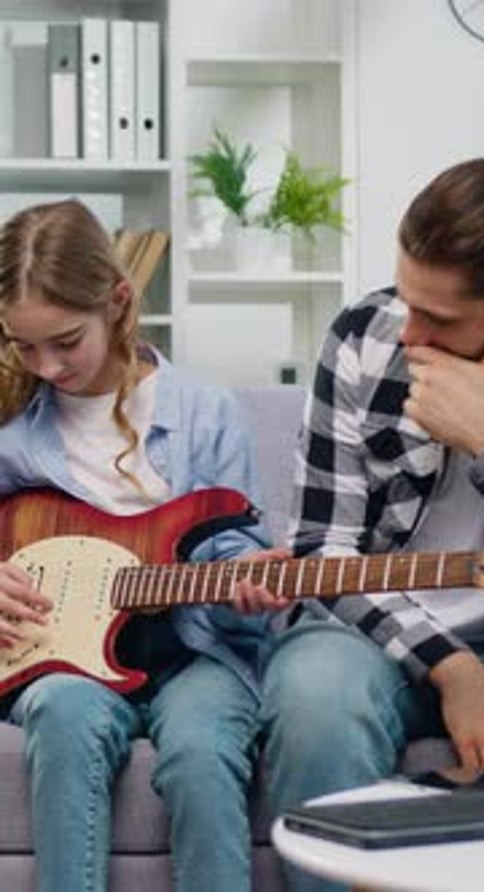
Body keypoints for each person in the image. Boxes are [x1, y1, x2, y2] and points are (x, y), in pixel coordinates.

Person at [0, 198, 283, 892]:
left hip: (196, 649)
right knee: (63, 716)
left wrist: (245, 581)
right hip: (63, 655)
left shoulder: (205, 410)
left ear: (118, 302)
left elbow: (236, 545)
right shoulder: (15, 435)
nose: (47, 366)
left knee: (200, 748)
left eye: (66, 341)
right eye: (24, 345)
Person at [238, 156, 484, 891]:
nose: (408, 332)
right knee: (317, 699)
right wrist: (457, 669)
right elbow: (325, 553)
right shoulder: (365, 334)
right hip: (369, 635)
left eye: (439, 320)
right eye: (409, 298)